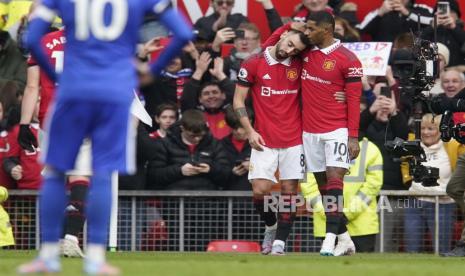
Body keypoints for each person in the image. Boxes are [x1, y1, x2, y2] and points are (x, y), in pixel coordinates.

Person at [18, 0, 193, 274]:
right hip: (113, 94)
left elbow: (30, 37)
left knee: (54, 173)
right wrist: (150, 72)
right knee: (102, 173)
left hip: (73, 93)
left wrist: (55, 76)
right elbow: (182, 33)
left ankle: (48, 255)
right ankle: (96, 258)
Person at [265, 11, 363, 256]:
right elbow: (271, 46)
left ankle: (329, 240)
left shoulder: (348, 59)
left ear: (326, 30)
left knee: (334, 181)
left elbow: (354, 99)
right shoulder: (305, 53)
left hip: (337, 130)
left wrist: (352, 136)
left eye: (310, 29)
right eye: (305, 28)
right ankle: (345, 239)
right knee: (323, 188)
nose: (306, 33)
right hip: (309, 132)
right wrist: (288, 24)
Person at [234, 29, 310, 255]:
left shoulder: (299, 64)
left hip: (295, 138)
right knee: (260, 190)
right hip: (263, 138)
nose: (289, 50)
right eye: (288, 44)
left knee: (289, 191)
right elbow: (238, 99)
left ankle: (280, 243)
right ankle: (271, 226)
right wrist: (249, 131)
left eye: (295, 49)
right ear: (282, 36)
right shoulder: (253, 63)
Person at [302, 136, 383, 253]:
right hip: (337, 225)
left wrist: (335, 213)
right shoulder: (316, 147)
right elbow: (308, 186)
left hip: (361, 228)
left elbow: (373, 185)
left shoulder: (370, 149)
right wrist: (338, 214)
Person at [403, 114, 460, 254]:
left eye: (431, 128)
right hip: (415, 202)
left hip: (443, 203)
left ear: (440, 130)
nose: (426, 132)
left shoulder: (453, 145)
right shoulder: (412, 145)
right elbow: (405, 167)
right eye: (422, 128)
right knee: (411, 249)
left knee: (441, 249)